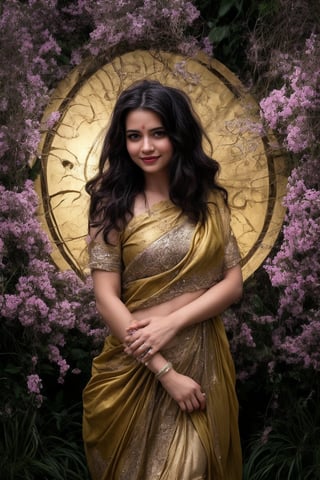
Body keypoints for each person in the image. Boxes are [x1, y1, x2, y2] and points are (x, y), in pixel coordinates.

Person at [82, 79, 243, 480]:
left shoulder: (207, 201)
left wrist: (172, 322)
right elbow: (106, 298)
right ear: (123, 142)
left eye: (158, 133)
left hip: (203, 359)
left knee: (194, 469)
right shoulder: (111, 205)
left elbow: (232, 283)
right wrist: (164, 371)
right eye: (134, 136)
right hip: (135, 365)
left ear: (178, 135)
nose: (146, 147)